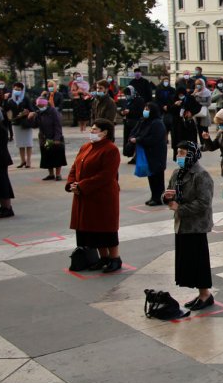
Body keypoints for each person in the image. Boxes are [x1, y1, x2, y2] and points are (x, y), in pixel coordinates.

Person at [66, 119, 123, 272]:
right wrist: (72, 183)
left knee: (106, 229)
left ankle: (114, 258)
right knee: (92, 230)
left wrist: (82, 185)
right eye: (91, 129)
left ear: (105, 133)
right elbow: (74, 167)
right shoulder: (85, 147)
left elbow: (106, 175)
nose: (91, 132)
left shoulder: (111, 149)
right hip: (84, 195)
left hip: (102, 196)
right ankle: (103, 258)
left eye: (95, 130)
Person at [164, 141, 216, 311]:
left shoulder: (201, 175)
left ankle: (205, 294)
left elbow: (204, 202)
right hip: (182, 224)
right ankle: (201, 293)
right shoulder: (178, 173)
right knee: (188, 261)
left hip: (196, 226)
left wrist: (181, 208)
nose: (179, 156)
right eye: (178, 152)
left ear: (192, 154)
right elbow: (168, 192)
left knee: (199, 261)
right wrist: (166, 198)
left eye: (182, 153)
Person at [131, 102, 168, 206]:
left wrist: (138, 140)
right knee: (151, 176)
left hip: (157, 154)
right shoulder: (144, 121)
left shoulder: (157, 123)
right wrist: (134, 138)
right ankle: (154, 196)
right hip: (148, 153)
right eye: (145, 108)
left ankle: (159, 198)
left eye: (147, 109)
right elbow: (136, 132)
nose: (145, 111)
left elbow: (154, 139)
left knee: (158, 177)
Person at [3, 83, 35, 169]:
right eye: (15, 89)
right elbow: (6, 110)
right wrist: (5, 100)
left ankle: (28, 160)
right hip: (16, 123)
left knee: (28, 143)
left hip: (25, 123)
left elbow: (32, 110)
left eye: (19, 89)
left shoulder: (25, 98)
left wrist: (27, 112)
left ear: (22, 90)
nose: (17, 91)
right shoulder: (10, 100)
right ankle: (22, 160)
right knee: (20, 143)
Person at [34, 96, 67, 181]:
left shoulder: (53, 111)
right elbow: (34, 125)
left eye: (42, 105)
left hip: (55, 136)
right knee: (47, 156)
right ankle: (51, 174)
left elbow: (58, 125)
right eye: (39, 106)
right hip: (44, 137)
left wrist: (57, 138)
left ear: (46, 104)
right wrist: (30, 117)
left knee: (57, 156)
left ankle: (58, 174)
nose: (40, 107)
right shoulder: (38, 113)